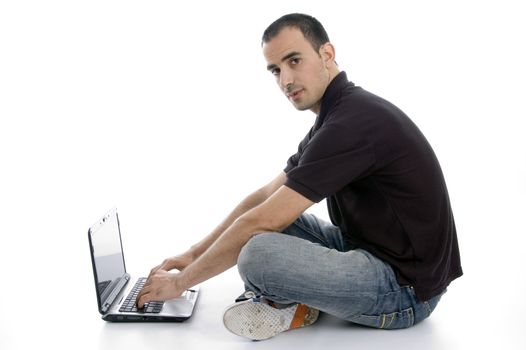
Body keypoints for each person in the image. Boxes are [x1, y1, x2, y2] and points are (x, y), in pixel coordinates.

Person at [137, 13, 463, 341]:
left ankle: (289, 303)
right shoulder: (336, 117)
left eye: (294, 61)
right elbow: (264, 197)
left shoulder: (351, 126)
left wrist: (180, 283)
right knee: (267, 221)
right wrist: (193, 254)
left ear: (326, 55)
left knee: (257, 253)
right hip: (365, 252)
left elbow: (258, 222)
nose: (285, 80)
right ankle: (295, 301)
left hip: (405, 290)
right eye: (276, 70)